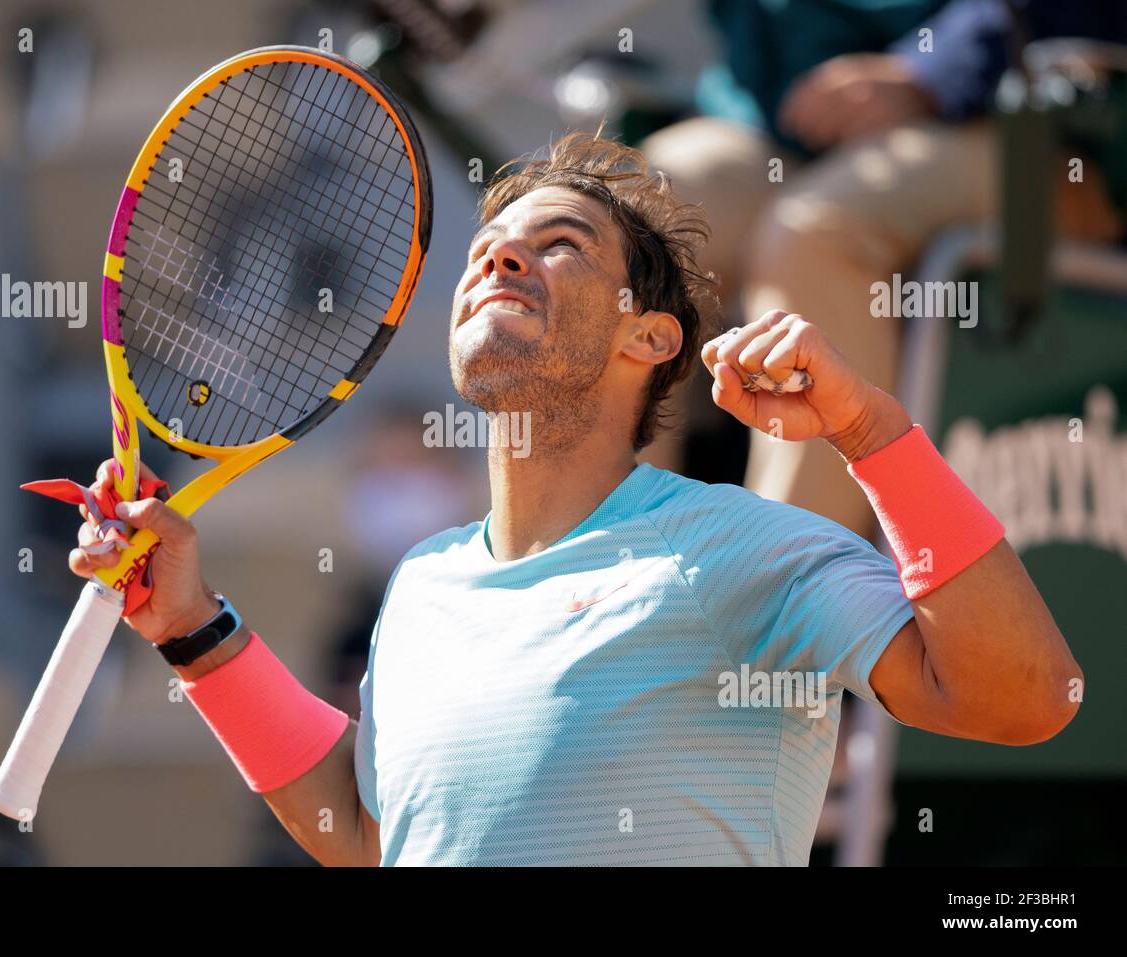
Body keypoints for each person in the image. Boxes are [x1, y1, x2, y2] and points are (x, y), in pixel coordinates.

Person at [67, 133, 1081, 866]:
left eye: (558, 244)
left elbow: (1026, 699)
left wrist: (870, 434)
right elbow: (371, 836)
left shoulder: (749, 550)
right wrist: (193, 630)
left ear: (649, 339)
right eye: (483, 253)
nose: (497, 259)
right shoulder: (421, 583)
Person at [641, 0, 1127, 538]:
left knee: (818, 233)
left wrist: (926, 73)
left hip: (1026, 119)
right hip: (784, 119)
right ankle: (613, 574)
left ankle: (787, 589)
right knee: (638, 220)